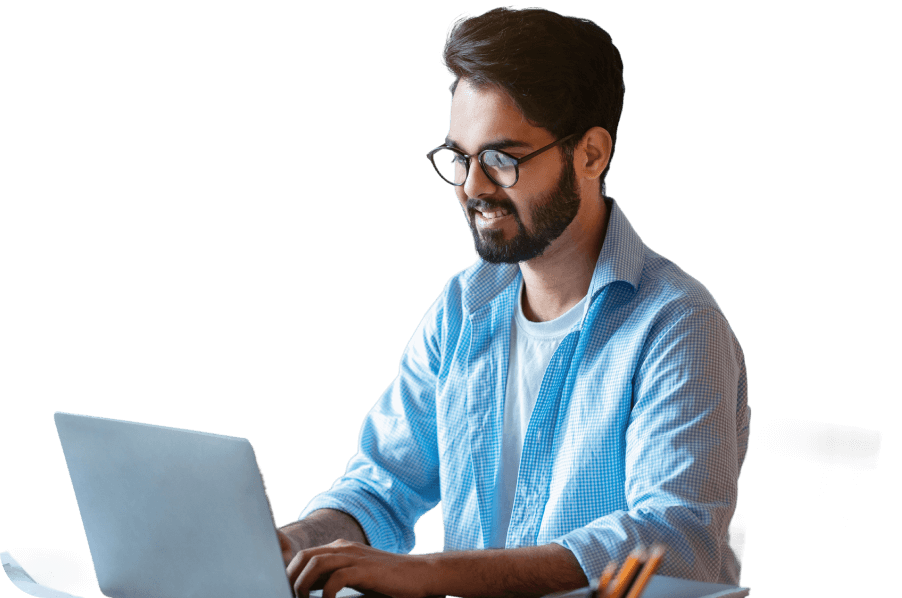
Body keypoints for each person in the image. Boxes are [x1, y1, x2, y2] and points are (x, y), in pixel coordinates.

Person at [278, 7, 749, 598]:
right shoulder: (462, 308)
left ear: (591, 154)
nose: (471, 187)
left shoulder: (679, 324)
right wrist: (290, 543)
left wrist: (427, 573)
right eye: (460, 158)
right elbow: (379, 489)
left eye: (502, 159)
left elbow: (671, 541)